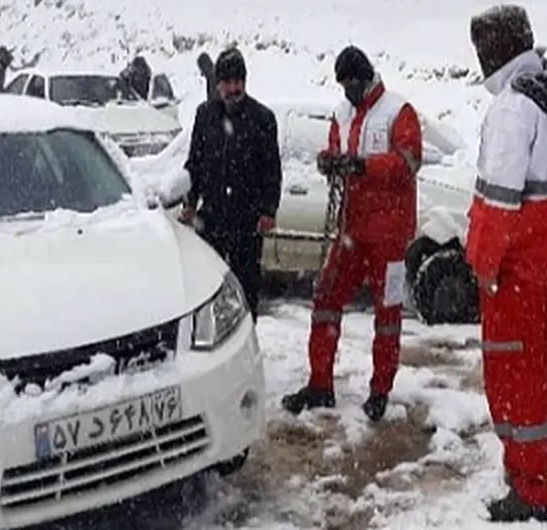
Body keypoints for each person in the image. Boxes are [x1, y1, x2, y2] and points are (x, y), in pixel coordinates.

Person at [466, 5, 547, 523]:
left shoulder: (514, 109)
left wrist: (482, 265)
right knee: (536, 372)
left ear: (496, 49)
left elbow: (497, 203)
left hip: (512, 273)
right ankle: (530, 473)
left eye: (481, 48)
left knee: (511, 381)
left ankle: (529, 487)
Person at [281, 45, 422, 423]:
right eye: (343, 85)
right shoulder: (341, 115)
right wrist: (330, 161)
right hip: (351, 230)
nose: (347, 91)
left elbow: (409, 161)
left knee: (387, 314)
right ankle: (320, 383)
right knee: (326, 297)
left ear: (366, 77)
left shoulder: (397, 111)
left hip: (389, 234)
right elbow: (333, 147)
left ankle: (380, 391)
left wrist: (363, 166)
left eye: (352, 84)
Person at [180, 48, 281, 319]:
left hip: (246, 222)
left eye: (239, 82)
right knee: (206, 287)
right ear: (218, 84)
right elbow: (194, 163)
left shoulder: (262, 119)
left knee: (246, 289)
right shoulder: (205, 115)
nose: (234, 89)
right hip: (211, 217)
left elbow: (272, 170)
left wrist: (268, 211)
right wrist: (189, 202)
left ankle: (246, 342)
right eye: (228, 83)